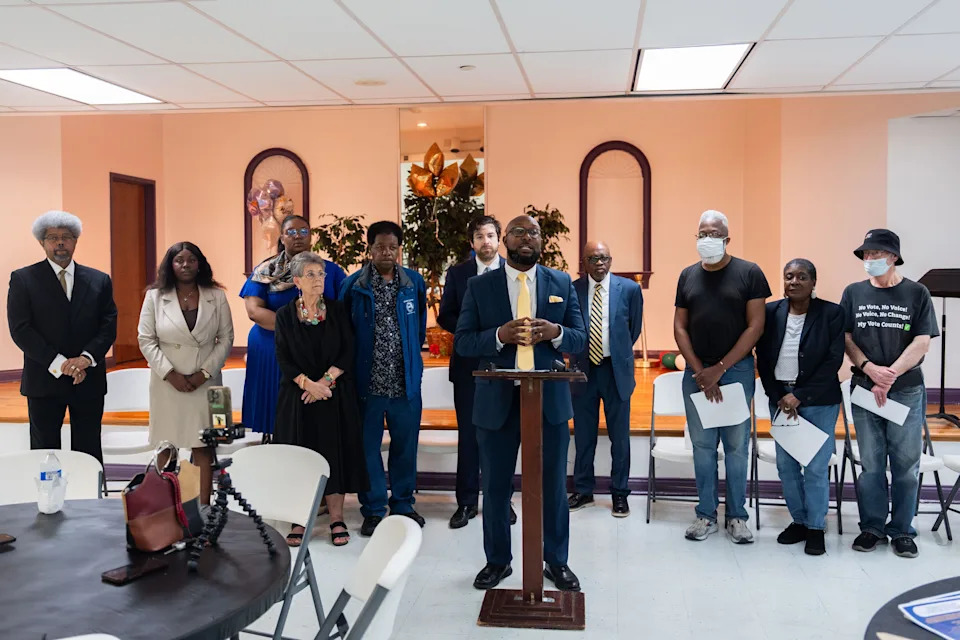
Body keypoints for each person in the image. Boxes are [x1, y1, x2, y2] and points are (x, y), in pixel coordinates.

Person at [455, 214, 587, 592]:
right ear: (504, 241)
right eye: (518, 232)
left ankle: (556, 562)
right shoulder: (480, 287)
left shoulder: (560, 282)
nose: (526, 238)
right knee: (495, 487)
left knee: (553, 488)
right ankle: (497, 561)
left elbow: (579, 338)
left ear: (541, 241)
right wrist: (498, 335)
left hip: (548, 401)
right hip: (497, 402)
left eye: (533, 232)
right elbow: (464, 341)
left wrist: (556, 332)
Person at [674, 210, 771, 544]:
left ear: (727, 239)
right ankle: (705, 515)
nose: (707, 239)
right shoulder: (687, 275)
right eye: (702, 233)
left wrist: (720, 368)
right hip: (697, 373)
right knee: (702, 446)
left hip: (736, 371)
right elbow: (679, 326)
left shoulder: (749, 272)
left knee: (736, 446)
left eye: (714, 233)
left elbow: (755, 326)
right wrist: (700, 369)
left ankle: (737, 517)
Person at [841, 229, 938, 559]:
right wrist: (870, 369)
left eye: (876, 254)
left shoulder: (917, 293)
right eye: (866, 255)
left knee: (905, 465)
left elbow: (922, 341)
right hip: (865, 389)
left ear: (893, 257)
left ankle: (902, 530)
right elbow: (847, 338)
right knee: (870, 464)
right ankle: (872, 527)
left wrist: (890, 374)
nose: (870, 260)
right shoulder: (853, 292)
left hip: (906, 390)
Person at [7, 210, 117, 464]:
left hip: (87, 378)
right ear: (41, 243)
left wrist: (85, 359)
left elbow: (108, 325)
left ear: (75, 241)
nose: (59, 243)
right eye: (52, 238)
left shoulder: (99, 280)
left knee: (88, 449)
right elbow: (21, 329)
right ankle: (47, 502)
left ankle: (90, 499)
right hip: (44, 379)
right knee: (45, 452)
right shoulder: (23, 279)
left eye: (66, 237)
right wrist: (61, 364)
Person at [274, 252, 368, 547]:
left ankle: (337, 518)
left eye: (322, 274)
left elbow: (348, 351)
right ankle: (299, 519)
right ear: (297, 280)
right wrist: (308, 385)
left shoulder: (338, 311)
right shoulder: (285, 316)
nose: (319, 280)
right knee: (299, 458)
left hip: (334, 394)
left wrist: (325, 383)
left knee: (334, 455)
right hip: (298, 397)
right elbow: (284, 358)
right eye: (312, 274)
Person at [341, 220, 427, 537]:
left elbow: (418, 329)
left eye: (392, 247)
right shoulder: (354, 286)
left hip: (405, 384)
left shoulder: (413, 283)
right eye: (380, 246)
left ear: (399, 249)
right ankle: (374, 509)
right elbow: (345, 334)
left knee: (405, 446)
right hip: (368, 385)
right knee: (368, 449)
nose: (386, 252)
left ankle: (403, 504)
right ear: (370, 248)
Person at [756, 259, 843, 556]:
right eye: (789, 276)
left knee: (816, 468)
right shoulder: (770, 312)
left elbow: (833, 360)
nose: (794, 281)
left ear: (813, 282)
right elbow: (763, 357)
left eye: (801, 276)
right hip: (781, 398)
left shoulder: (832, 313)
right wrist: (779, 394)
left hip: (818, 401)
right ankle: (800, 521)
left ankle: (817, 527)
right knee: (787, 466)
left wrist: (800, 395)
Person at [137, 242, 234, 505]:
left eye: (191, 260)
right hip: (166, 383)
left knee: (206, 445)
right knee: (166, 445)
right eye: (179, 260)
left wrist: (204, 373)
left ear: (200, 263)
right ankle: (163, 507)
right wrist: (171, 374)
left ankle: (203, 508)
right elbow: (145, 340)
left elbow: (226, 338)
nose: (185, 265)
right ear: (170, 265)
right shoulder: (154, 296)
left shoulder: (217, 295)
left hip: (210, 383)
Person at [437, 215, 517, 530]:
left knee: (503, 436)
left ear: (499, 240)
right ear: (472, 243)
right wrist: (478, 334)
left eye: (490, 236)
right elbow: (446, 315)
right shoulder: (458, 274)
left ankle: (502, 501)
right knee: (469, 437)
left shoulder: (514, 273)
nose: (485, 242)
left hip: (506, 364)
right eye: (479, 237)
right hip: (469, 365)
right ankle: (467, 503)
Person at [241, 215, 346, 440]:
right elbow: (254, 311)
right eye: (291, 232)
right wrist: (295, 331)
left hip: (318, 350)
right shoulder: (265, 271)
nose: (297, 237)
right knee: (276, 410)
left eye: (303, 232)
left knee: (314, 411)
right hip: (273, 346)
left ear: (311, 236)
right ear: (281, 237)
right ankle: (274, 446)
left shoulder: (329, 270)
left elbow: (343, 309)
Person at [568, 241, 643, 517]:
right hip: (583, 371)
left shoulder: (630, 290)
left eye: (603, 258)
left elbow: (632, 329)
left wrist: (616, 351)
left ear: (610, 260)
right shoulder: (573, 289)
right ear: (584, 263)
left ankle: (620, 493)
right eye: (592, 259)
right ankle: (584, 490)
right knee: (584, 435)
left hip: (616, 371)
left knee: (619, 438)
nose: (599, 263)